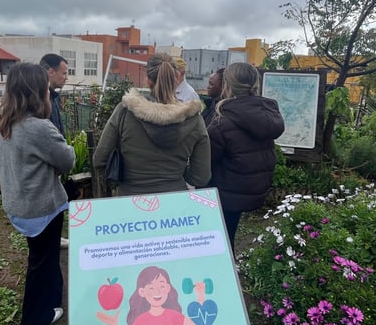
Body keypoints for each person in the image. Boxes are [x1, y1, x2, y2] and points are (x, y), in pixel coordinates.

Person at [0, 62, 76, 325]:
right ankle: (35, 317)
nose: (48, 92)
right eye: (45, 88)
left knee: (43, 256)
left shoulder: (7, 123)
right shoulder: (39, 128)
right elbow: (68, 160)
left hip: (18, 204)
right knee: (42, 262)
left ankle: (53, 300)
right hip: (41, 208)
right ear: (38, 92)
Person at [93, 53, 210, 195]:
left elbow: (99, 160)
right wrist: (177, 175)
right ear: (176, 79)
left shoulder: (125, 112)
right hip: (175, 201)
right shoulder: (194, 120)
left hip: (130, 199)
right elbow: (201, 177)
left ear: (147, 80)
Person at [207, 62, 285, 253]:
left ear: (226, 85)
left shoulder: (222, 121)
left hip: (224, 193)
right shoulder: (265, 113)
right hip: (249, 189)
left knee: (218, 243)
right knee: (229, 235)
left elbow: (206, 161)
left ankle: (225, 268)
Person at [97, 266, 206, 325]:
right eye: (151, 288)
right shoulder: (140, 321)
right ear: (142, 292)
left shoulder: (173, 316)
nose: (157, 291)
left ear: (168, 288)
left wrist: (200, 296)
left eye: (161, 286)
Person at [40, 53, 78, 248]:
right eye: (64, 73)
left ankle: (55, 237)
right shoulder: (40, 100)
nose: (66, 77)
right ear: (50, 72)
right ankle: (49, 240)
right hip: (47, 163)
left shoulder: (52, 97)